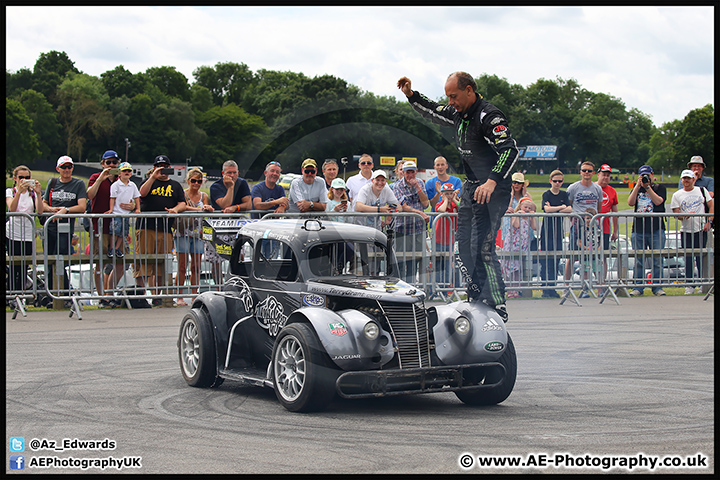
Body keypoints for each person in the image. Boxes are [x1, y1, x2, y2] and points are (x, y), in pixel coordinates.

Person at [398, 72, 519, 322]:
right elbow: (433, 110)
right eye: (448, 97)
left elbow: (510, 150)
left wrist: (492, 181)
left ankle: (497, 302)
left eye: (454, 96)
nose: (451, 101)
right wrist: (411, 95)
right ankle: (475, 295)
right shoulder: (456, 113)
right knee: (461, 246)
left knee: (482, 246)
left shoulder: (489, 116)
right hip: (471, 187)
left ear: (469, 91)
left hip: (493, 189)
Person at [134, 155, 187, 305]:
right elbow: (142, 193)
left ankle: (158, 296)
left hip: (165, 229)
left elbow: (182, 203)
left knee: (161, 263)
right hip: (146, 227)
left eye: (165, 167)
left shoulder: (175, 185)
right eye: (159, 166)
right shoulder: (148, 182)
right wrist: (152, 177)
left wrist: (175, 210)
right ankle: (141, 296)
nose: (163, 170)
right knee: (143, 262)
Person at [42, 156, 88, 294]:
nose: (67, 170)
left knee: (61, 258)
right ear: (58, 169)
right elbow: (44, 203)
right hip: (50, 225)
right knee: (49, 259)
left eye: (69, 167)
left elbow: (82, 206)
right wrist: (51, 210)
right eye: (64, 167)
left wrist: (66, 210)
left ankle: (63, 291)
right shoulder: (53, 182)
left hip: (65, 226)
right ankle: (50, 291)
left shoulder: (78, 183)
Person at [87, 150, 125, 308]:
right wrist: (101, 178)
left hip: (118, 226)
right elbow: (90, 195)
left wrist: (131, 205)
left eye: (114, 163)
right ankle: (102, 296)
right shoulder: (95, 177)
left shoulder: (122, 178)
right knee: (100, 262)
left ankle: (110, 293)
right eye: (108, 162)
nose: (111, 165)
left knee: (122, 262)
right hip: (100, 225)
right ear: (102, 164)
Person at [174, 168, 214, 306]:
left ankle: (194, 295)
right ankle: (179, 296)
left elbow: (206, 209)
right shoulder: (183, 194)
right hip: (183, 232)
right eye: (193, 181)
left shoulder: (203, 196)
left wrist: (207, 208)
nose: (196, 183)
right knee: (182, 266)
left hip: (198, 234)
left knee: (196, 266)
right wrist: (200, 209)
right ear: (188, 181)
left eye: (199, 181)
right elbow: (183, 207)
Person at [208, 160, 252, 283]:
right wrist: (231, 188)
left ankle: (238, 284)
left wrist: (236, 207)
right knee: (216, 260)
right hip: (218, 227)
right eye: (229, 173)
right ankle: (218, 287)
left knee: (239, 256)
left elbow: (248, 205)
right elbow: (224, 205)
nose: (232, 176)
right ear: (223, 173)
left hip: (236, 226)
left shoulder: (242, 183)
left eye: (234, 173)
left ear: (238, 173)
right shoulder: (215, 186)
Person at [671, 169, 714, 295]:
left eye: (689, 178)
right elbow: (676, 213)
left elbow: (711, 205)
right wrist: (684, 216)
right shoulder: (677, 195)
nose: (686, 181)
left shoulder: (702, 191)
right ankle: (689, 284)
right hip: (686, 230)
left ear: (693, 179)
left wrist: (709, 221)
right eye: (684, 178)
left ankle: (702, 282)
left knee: (701, 256)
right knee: (688, 257)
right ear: (681, 180)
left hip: (701, 228)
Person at [628, 164, 667, 296]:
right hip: (639, 229)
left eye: (647, 175)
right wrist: (638, 186)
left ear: (652, 175)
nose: (645, 177)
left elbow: (658, 201)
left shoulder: (659, 188)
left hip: (656, 228)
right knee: (639, 259)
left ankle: (657, 287)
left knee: (657, 259)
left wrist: (648, 188)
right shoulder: (636, 188)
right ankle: (637, 287)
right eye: (642, 176)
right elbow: (630, 202)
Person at [389, 160, 430, 284]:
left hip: (418, 227)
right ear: (404, 173)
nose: (410, 175)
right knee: (401, 258)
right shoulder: (397, 186)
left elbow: (425, 203)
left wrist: (417, 187)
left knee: (415, 258)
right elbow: (404, 206)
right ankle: (400, 284)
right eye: (407, 172)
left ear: (416, 172)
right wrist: (421, 214)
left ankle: (412, 285)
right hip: (402, 227)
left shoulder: (421, 183)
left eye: (412, 172)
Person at [6, 165, 44, 294]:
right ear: (15, 178)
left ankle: (21, 293)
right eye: (21, 177)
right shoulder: (10, 191)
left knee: (24, 267)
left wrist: (38, 194)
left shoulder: (32, 193)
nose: (24, 180)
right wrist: (18, 192)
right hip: (13, 233)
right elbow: (12, 208)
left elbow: (39, 211)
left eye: (27, 178)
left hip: (28, 233)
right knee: (13, 265)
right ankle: (12, 294)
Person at [565, 161, 603, 287]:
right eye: (584, 170)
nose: (587, 173)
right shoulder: (573, 188)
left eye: (589, 171)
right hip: (577, 224)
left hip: (592, 226)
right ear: (580, 172)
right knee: (572, 255)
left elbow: (599, 207)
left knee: (595, 256)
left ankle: (599, 286)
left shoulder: (597, 188)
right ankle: (566, 285)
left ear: (593, 173)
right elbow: (569, 204)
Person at [539, 170, 572, 297]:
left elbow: (569, 209)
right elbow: (546, 209)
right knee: (546, 259)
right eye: (555, 181)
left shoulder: (564, 194)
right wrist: (560, 207)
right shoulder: (546, 194)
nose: (557, 183)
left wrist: (557, 207)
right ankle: (545, 288)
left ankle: (552, 288)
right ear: (550, 181)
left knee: (556, 258)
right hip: (547, 231)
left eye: (560, 181)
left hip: (558, 230)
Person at [502, 198, 537, 298]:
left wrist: (532, 216)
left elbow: (534, 227)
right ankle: (510, 290)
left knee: (518, 269)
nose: (527, 209)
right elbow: (516, 225)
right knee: (511, 269)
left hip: (523, 246)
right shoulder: (515, 216)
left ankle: (516, 290)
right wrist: (518, 214)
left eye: (529, 208)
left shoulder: (528, 218)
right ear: (520, 206)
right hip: (513, 245)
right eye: (525, 207)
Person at [107, 162, 141, 259]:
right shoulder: (115, 185)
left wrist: (137, 208)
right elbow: (112, 198)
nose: (126, 172)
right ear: (119, 173)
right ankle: (112, 248)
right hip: (117, 213)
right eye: (124, 171)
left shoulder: (133, 185)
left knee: (123, 233)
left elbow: (137, 197)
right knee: (115, 232)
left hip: (126, 214)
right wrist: (111, 209)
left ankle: (117, 248)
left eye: (128, 171)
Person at [433, 182, 460, 295]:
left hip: (452, 240)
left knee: (450, 265)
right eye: (446, 194)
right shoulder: (439, 204)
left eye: (450, 193)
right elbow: (442, 210)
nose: (448, 196)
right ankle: (438, 289)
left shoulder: (455, 206)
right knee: (439, 265)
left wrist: (454, 199)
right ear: (442, 194)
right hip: (440, 239)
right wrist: (444, 200)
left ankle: (446, 289)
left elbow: (464, 209)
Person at [596, 164, 619, 291]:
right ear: (598, 174)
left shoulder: (612, 191)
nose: (605, 177)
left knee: (602, 256)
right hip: (590, 227)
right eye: (603, 174)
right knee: (588, 256)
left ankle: (601, 284)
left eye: (608, 175)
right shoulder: (593, 187)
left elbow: (615, 212)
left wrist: (615, 231)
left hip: (604, 228)